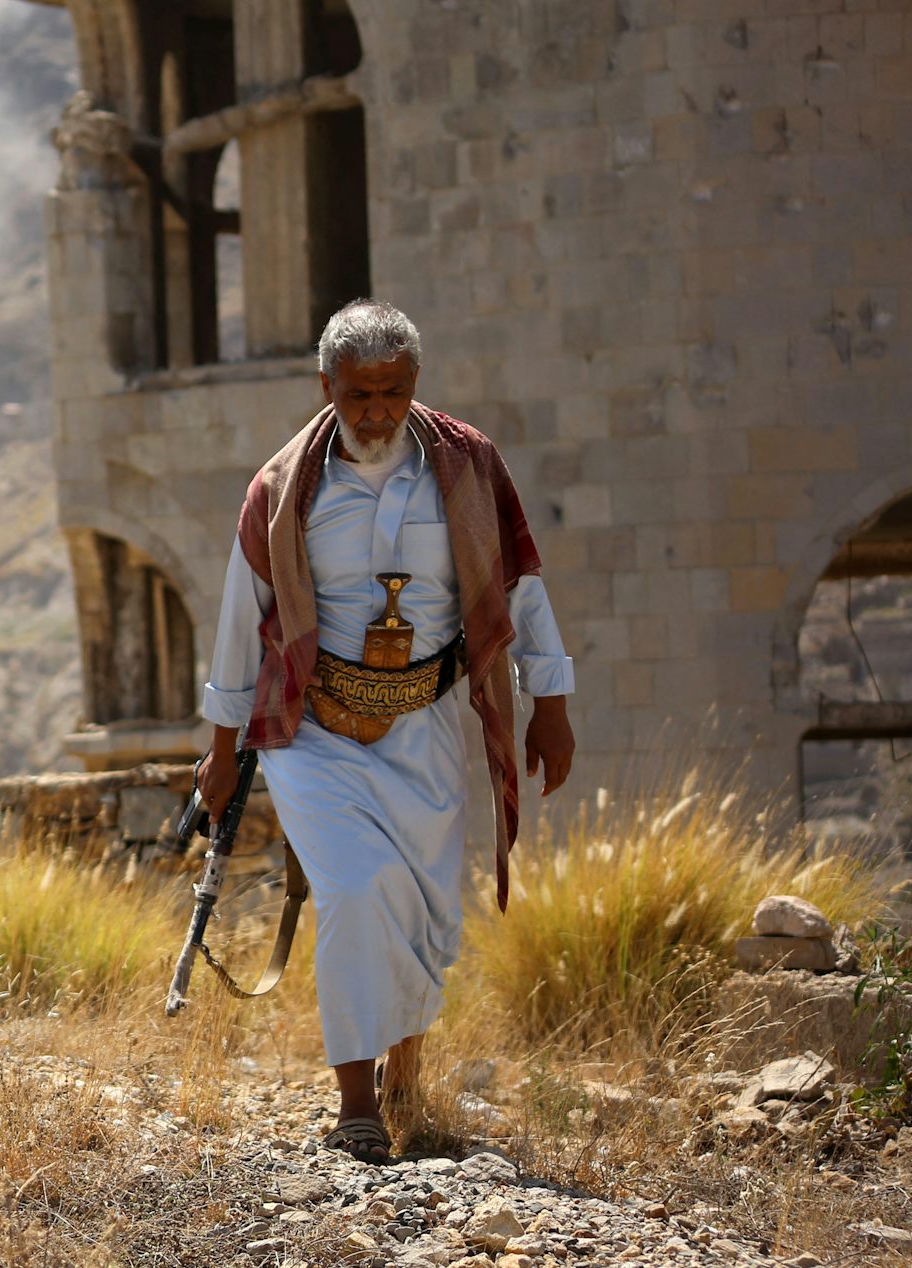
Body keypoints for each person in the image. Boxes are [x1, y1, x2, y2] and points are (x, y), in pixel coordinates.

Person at [196, 298, 576, 1164]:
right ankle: (357, 1103)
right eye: (357, 394)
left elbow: (520, 586)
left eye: (392, 393)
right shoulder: (282, 487)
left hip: (429, 720)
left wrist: (549, 701)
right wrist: (222, 748)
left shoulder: (468, 467)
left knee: (426, 910)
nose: (374, 412)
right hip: (313, 727)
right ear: (325, 386)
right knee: (359, 889)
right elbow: (238, 615)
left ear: (414, 384)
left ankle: (407, 1078)